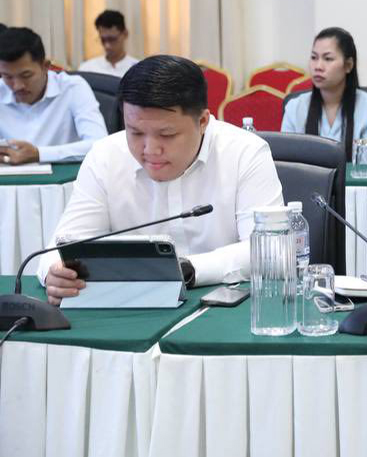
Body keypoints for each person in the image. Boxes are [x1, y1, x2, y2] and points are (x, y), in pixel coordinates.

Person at [38, 55, 285, 301]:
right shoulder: (105, 156)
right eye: (135, 132)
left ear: (202, 121)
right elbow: (59, 248)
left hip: (224, 306)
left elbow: (269, 250)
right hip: (131, 306)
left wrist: (187, 269)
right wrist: (56, 273)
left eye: (166, 135)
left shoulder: (245, 152)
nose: (150, 150)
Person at [0, 26, 108, 164]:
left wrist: (39, 154)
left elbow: (99, 144)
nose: (17, 86)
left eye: (26, 75)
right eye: (8, 77)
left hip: (64, 176)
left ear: (45, 66)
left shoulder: (73, 88)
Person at [280, 27, 367, 159]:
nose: (318, 66)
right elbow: (287, 161)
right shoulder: (294, 108)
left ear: (348, 65)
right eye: (314, 57)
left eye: (328, 58)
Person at [78, 9, 139, 76]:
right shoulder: (87, 69)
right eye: (103, 40)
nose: (107, 46)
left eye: (112, 39)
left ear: (125, 34)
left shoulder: (138, 69)